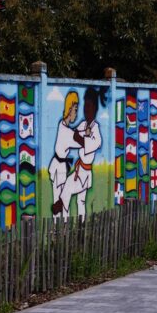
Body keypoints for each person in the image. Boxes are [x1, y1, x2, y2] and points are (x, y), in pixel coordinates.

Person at [52, 88, 105, 219]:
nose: (86, 110)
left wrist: (81, 138)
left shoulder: (96, 129)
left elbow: (92, 143)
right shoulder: (82, 124)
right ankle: (68, 223)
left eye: (88, 106)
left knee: (72, 195)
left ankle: (70, 223)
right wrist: (79, 136)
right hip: (79, 168)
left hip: (85, 172)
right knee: (77, 199)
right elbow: (74, 135)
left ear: (94, 109)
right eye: (85, 106)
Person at [48, 91, 83, 218]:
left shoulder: (62, 125)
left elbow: (74, 133)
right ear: (69, 109)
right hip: (59, 169)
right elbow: (79, 142)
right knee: (61, 200)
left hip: (58, 166)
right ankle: (60, 230)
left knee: (61, 199)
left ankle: (60, 229)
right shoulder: (66, 131)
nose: (76, 113)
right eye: (75, 109)